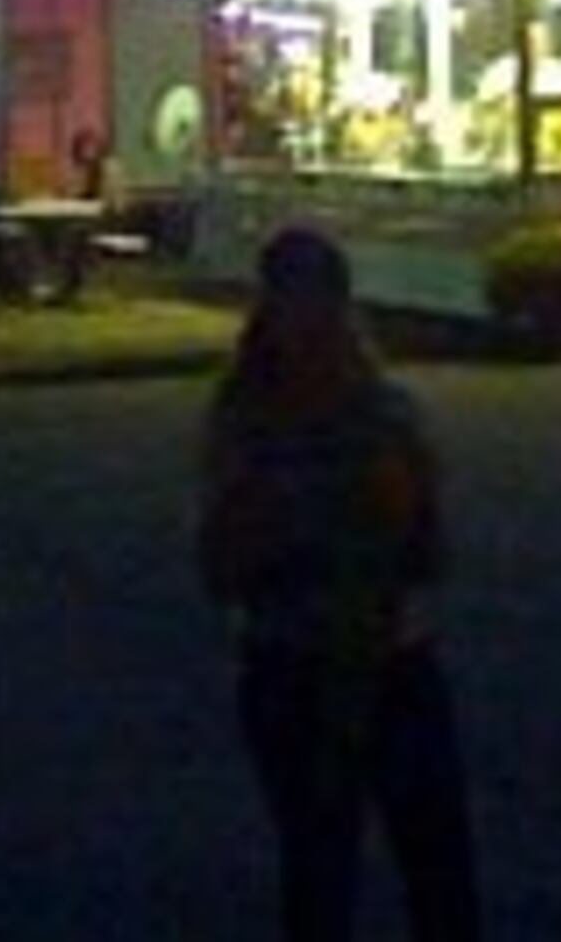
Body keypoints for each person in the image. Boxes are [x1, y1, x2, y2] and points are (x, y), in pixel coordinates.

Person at [198, 227, 482, 942]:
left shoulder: (272, 420)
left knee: (352, 868)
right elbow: (427, 550)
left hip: (350, 663)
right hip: (341, 665)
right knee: (386, 867)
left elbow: (426, 547)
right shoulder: (353, 416)